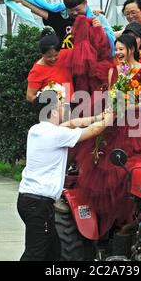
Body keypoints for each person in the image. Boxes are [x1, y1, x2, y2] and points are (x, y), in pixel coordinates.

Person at [75, 34, 141, 237]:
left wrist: (128, 106)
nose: (118, 53)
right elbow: (111, 97)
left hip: (135, 128)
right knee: (104, 171)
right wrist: (110, 110)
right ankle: (108, 222)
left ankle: (130, 221)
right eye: (116, 49)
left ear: (132, 49)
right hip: (113, 124)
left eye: (122, 49)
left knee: (128, 172)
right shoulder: (113, 71)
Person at [17, 90, 114, 261]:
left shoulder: (38, 130)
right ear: (54, 111)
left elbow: (72, 123)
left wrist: (97, 116)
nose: (65, 109)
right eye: (62, 106)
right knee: (35, 253)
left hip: (30, 201)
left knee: (53, 252)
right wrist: (109, 118)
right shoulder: (55, 134)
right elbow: (93, 131)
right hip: (38, 204)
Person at [5, 0, 115, 54]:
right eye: (71, 10)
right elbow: (40, 11)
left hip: (90, 69)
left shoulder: (97, 19)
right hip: (66, 67)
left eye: (77, 9)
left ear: (85, 3)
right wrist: (23, 2)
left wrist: (99, 29)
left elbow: (111, 40)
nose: (74, 13)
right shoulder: (61, 18)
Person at [26, 27, 74, 104]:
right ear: (42, 54)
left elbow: (84, 51)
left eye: (56, 55)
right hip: (54, 109)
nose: (53, 59)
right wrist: (47, 99)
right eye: (49, 56)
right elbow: (30, 96)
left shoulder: (65, 55)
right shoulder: (37, 70)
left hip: (72, 103)